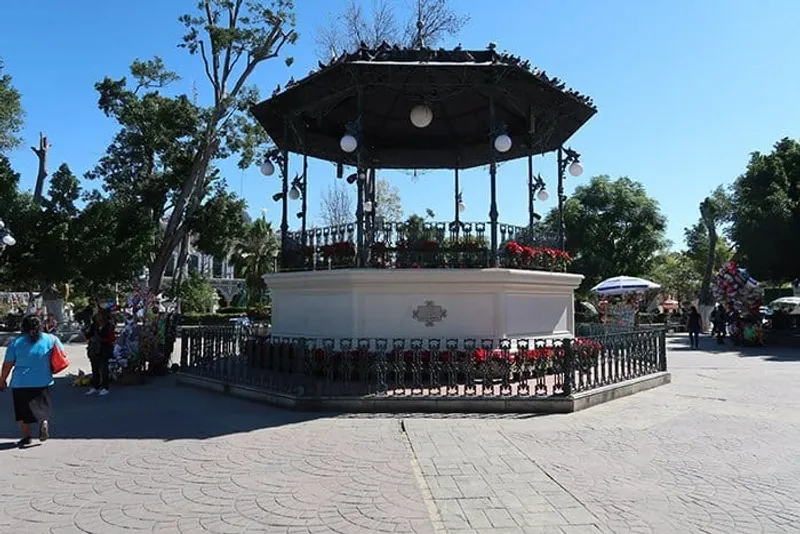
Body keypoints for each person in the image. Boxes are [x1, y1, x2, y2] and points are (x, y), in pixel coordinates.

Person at [0, 315, 62, 447]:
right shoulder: (51, 339)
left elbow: (7, 365)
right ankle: (44, 421)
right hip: (44, 380)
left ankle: (27, 436)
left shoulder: (16, 342)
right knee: (42, 406)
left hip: (21, 382)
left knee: (22, 412)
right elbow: (60, 355)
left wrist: (2, 380)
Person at [84, 308, 116, 396]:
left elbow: (112, 338)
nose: (98, 317)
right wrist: (85, 333)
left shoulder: (109, 326)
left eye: (100, 315)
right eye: (97, 316)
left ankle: (105, 387)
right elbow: (88, 335)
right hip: (94, 349)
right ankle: (95, 386)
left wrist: (101, 340)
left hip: (104, 349)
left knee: (104, 369)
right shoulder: (94, 325)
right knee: (95, 368)